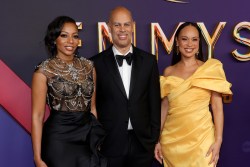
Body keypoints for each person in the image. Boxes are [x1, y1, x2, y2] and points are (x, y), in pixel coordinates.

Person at [31, 16, 106, 167]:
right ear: (54, 39)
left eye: (75, 36)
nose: (70, 41)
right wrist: (37, 158)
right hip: (58, 140)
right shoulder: (44, 70)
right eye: (64, 35)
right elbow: (37, 116)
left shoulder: (89, 67)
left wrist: (96, 141)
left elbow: (92, 108)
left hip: (86, 139)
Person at [90, 6, 161, 167]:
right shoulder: (95, 63)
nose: (122, 29)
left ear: (133, 26)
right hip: (110, 143)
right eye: (117, 25)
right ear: (109, 28)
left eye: (126, 24)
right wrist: (97, 139)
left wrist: (153, 138)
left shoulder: (149, 61)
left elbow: (154, 103)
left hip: (142, 144)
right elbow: (92, 106)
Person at [154, 22, 232, 167]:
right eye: (184, 39)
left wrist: (218, 140)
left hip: (202, 141)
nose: (189, 44)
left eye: (194, 39)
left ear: (199, 43)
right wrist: (157, 140)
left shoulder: (210, 69)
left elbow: (217, 107)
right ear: (177, 42)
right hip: (172, 142)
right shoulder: (168, 72)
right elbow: (164, 107)